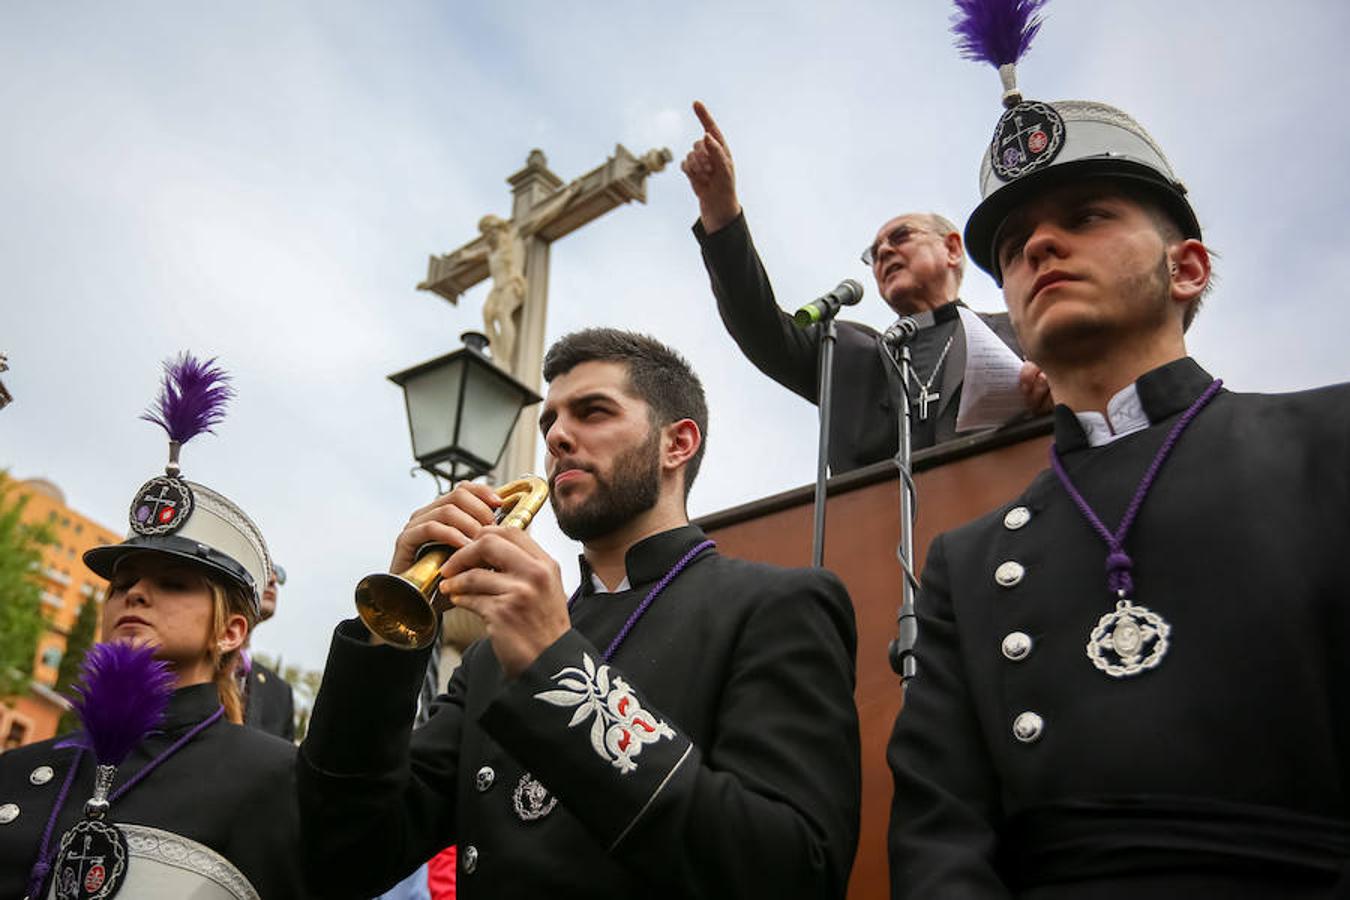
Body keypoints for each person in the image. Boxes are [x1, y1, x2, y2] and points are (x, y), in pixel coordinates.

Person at [887, 16, 1350, 898]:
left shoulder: (1331, 443)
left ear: (1187, 268)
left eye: (1086, 216)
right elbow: (941, 840)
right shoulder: (967, 560)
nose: (1036, 248)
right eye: (1013, 246)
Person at [298, 328, 861, 898]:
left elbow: (794, 871)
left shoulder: (775, 606)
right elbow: (349, 850)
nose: (559, 437)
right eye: (550, 424)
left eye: (593, 412)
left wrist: (555, 664)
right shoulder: (492, 656)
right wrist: (387, 642)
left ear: (677, 444)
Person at [0, 353, 308, 899]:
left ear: (232, 632)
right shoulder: (19, 772)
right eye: (122, 582)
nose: (135, 593)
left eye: (173, 583)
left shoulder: (273, 779)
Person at [681, 101, 1048, 472]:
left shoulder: (1021, 330)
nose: (885, 251)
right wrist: (721, 213)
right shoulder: (845, 352)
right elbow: (759, 326)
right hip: (874, 525)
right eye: (874, 253)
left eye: (901, 236)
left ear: (952, 248)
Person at [242, 563, 297, 741]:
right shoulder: (185, 667)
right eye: (261, 569)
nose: (272, 579)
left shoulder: (280, 694)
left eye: (275, 574)